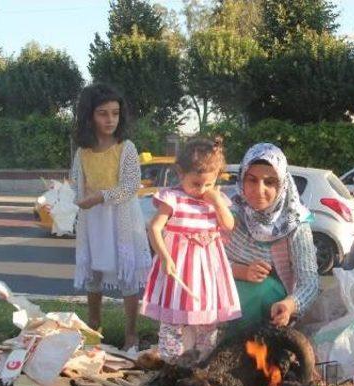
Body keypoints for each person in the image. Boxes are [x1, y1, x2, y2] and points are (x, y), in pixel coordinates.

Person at [141, 138, 241, 362]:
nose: (202, 190)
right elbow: (154, 228)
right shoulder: (172, 197)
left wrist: (216, 201)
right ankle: (172, 363)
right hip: (180, 269)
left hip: (208, 273)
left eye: (209, 184)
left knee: (207, 320)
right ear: (180, 172)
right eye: (196, 184)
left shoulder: (215, 198)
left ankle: (203, 361)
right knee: (174, 320)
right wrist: (165, 257)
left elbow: (229, 225)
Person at [70, 83, 152, 354]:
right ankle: (94, 327)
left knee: (126, 275)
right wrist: (67, 195)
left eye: (115, 113)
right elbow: (76, 181)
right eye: (103, 113)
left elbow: (130, 186)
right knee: (93, 274)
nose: (110, 120)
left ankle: (131, 333)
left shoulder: (125, 148)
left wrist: (100, 197)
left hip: (121, 219)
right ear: (89, 116)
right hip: (93, 221)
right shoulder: (82, 151)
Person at [225, 143, 319, 334]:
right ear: (242, 180)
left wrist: (289, 305)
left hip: (269, 313)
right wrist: (240, 271)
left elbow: (309, 282)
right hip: (222, 298)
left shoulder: (295, 224)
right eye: (252, 180)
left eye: (269, 182)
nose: (259, 190)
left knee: (261, 290)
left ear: (282, 184)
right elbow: (205, 263)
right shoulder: (230, 214)